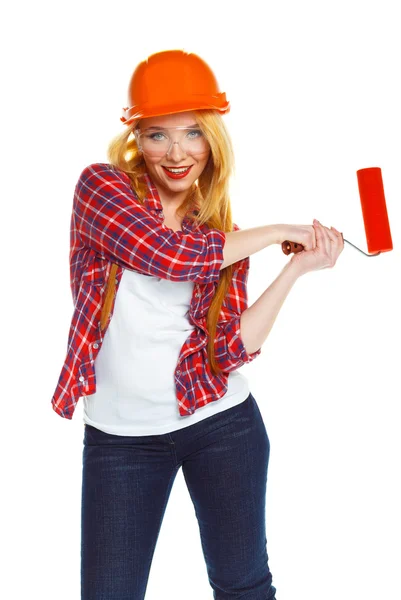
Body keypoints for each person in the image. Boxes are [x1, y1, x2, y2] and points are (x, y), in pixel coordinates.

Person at [51, 49, 344, 600]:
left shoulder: (217, 228)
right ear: (136, 135)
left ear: (212, 138)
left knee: (244, 587)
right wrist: (277, 228)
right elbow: (167, 256)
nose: (178, 152)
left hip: (223, 425)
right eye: (158, 134)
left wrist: (297, 267)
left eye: (192, 132)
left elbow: (235, 346)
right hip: (122, 440)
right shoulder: (102, 189)